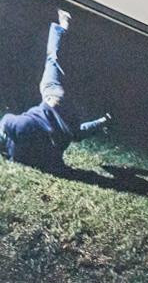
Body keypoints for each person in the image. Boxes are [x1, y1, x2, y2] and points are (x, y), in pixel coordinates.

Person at [1, 9, 111, 172]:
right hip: (54, 98)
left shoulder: (45, 157)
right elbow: (6, 120)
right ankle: (62, 26)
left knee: (76, 132)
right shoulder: (21, 126)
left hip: (69, 116)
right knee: (52, 60)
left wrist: (102, 122)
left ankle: (103, 121)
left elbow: (79, 133)